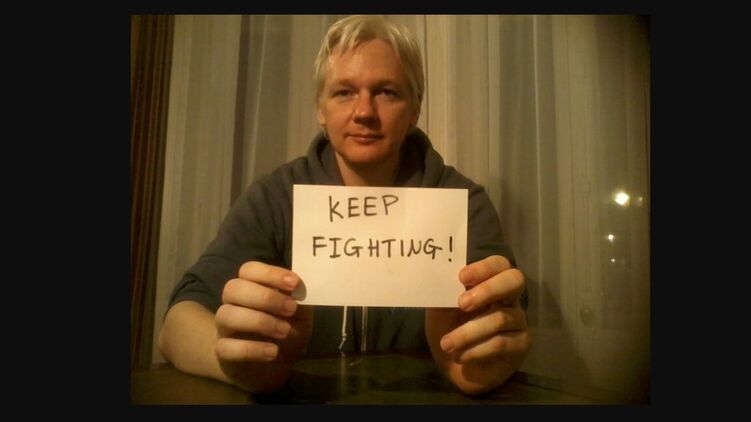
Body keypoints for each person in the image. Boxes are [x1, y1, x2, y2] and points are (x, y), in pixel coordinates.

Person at [158, 15, 531, 396]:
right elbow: (176, 324)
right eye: (344, 92)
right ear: (320, 108)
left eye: (387, 92)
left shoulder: (464, 204)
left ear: (415, 108)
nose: (364, 112)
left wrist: (484, 354)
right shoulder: (273, 199)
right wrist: (237, 363)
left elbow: (504, 325)